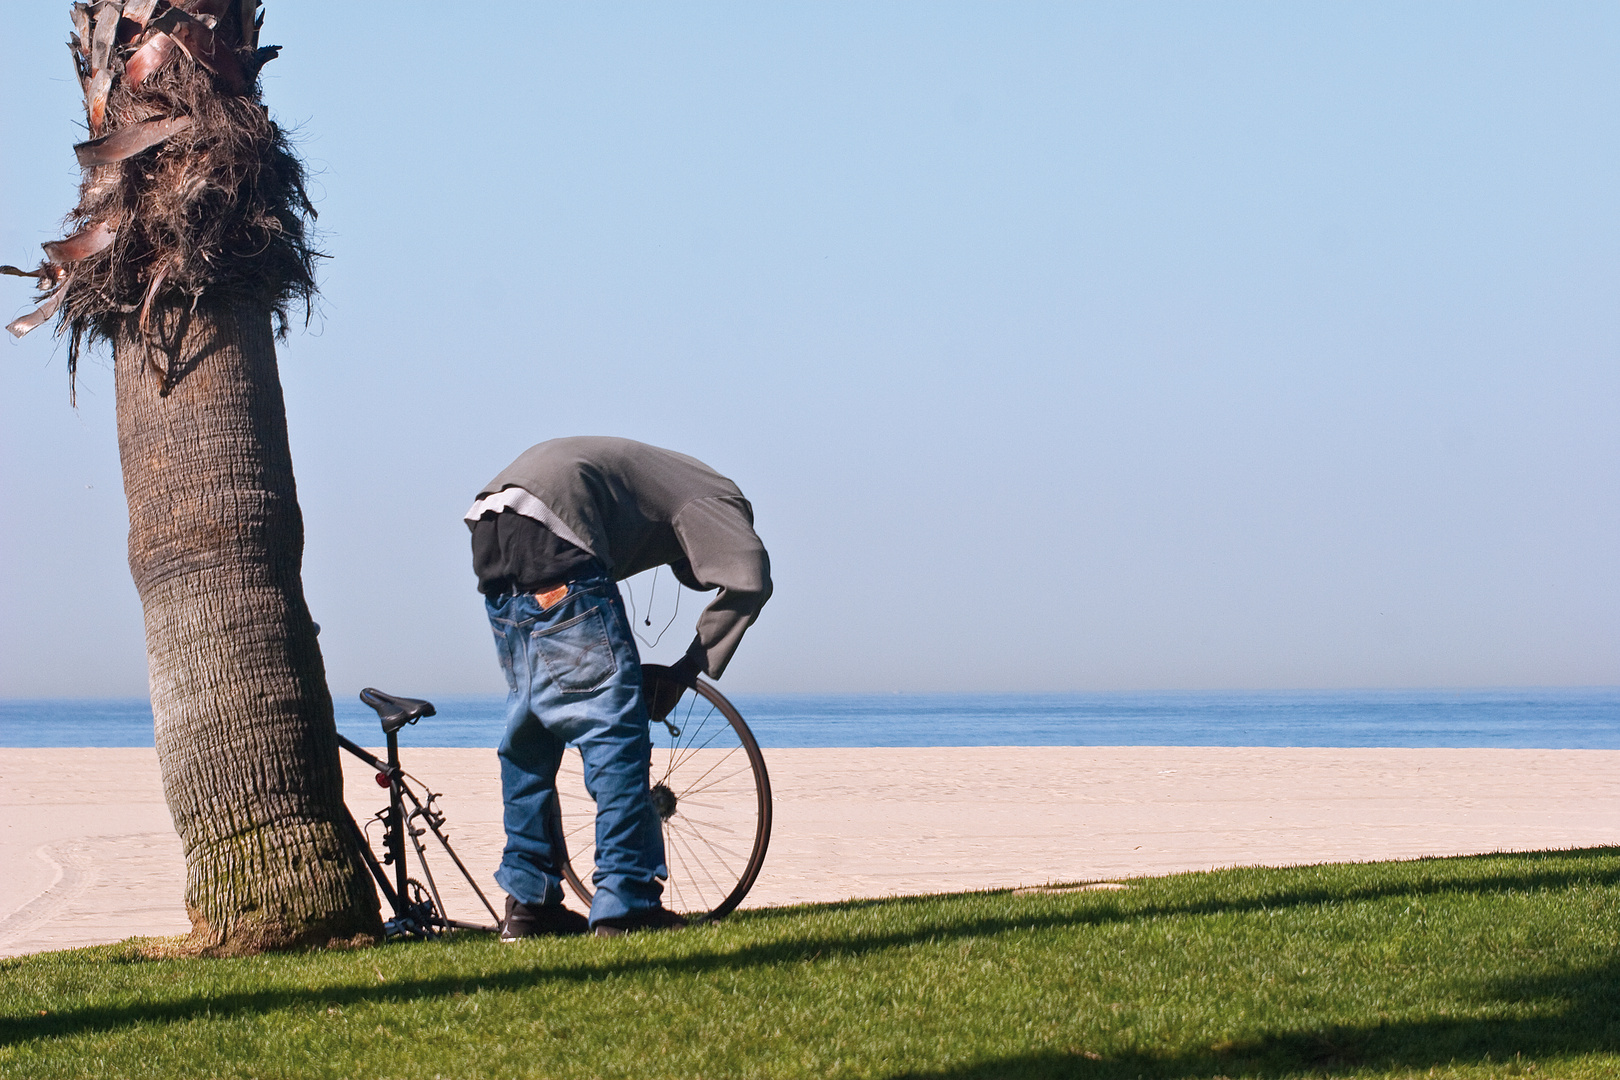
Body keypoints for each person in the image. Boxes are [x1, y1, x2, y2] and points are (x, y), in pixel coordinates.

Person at [466, 436, 772, 939]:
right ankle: (626, 901)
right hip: (556, 524)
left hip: (492, 520)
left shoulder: (663, 479)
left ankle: (530, 903)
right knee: (616, 732)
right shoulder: (720, 500)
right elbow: (751, 577)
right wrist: (688, 669)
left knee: (531, 735)